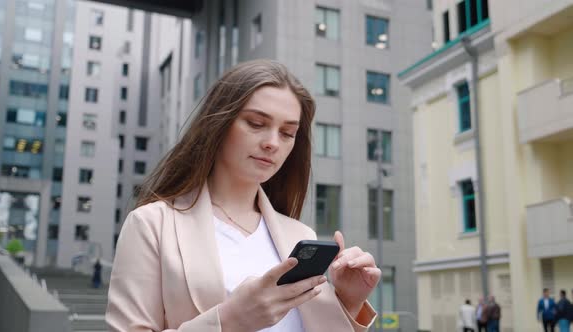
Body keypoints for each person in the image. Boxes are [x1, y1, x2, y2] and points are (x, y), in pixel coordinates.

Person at [105, 60, 380, 331]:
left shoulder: (298, 234)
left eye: (287, 133)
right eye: (256, 123)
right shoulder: (152, 225)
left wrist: (348, 301)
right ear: (219, 124)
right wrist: (229, 321)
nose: (272, 142)